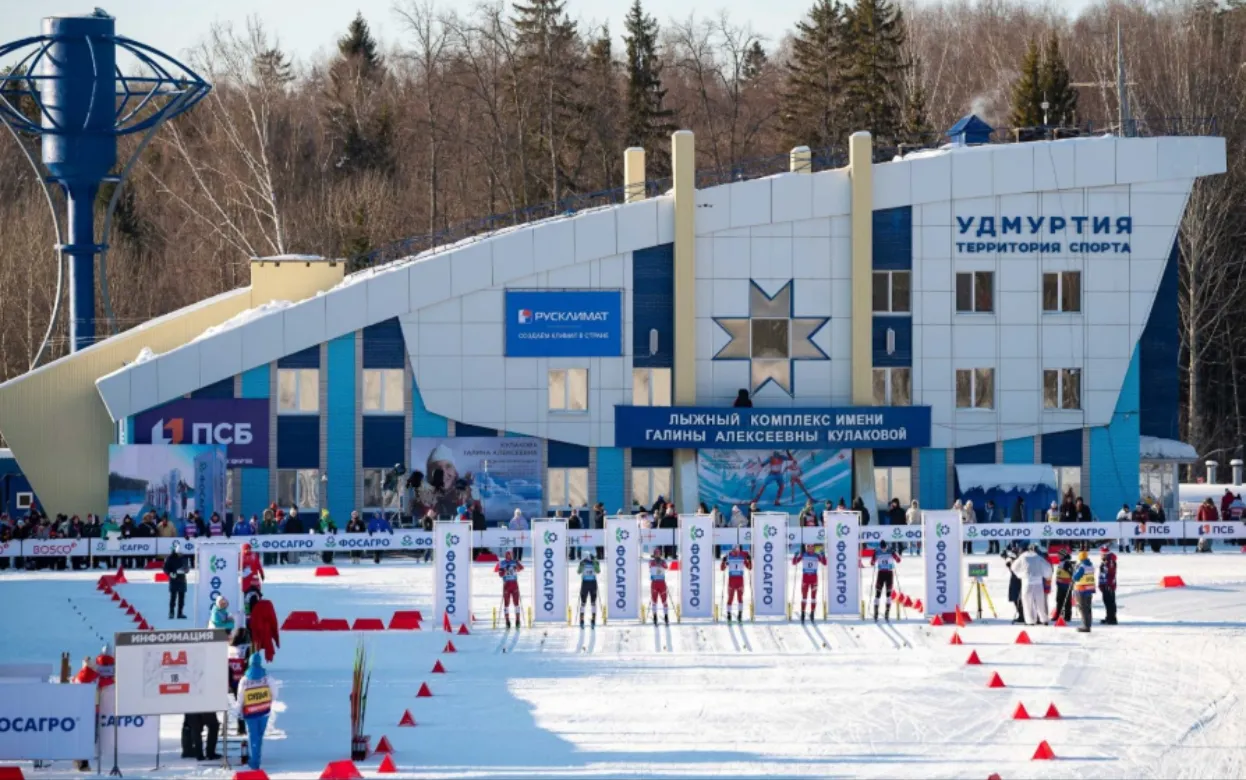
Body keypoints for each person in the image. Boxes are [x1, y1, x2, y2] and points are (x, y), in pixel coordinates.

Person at [237, 652, 273, 770]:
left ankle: (254, 762)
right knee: (259, 735)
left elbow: (240, 697)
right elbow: (275, 692)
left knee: (253, 736)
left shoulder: (245, 679)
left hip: (250, 712)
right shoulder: (267, 677)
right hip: (264, 711)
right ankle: (257, 757)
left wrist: (239, 711)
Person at [1009, 543, 1053, 626]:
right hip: (1038, 582)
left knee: (1027, 603)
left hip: (1027, 582)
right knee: (1040, 602)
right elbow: (1048, 568)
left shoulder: (1022, 557)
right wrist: (1046, 575)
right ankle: (1044, 619)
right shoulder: (1038, 557)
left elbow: (1013, 567)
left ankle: (1030, 621)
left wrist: (1020, 575)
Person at [791, 544, 826, 623]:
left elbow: (824, 563)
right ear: (806, 548)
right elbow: (794, 563)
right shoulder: (803, 555)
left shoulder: (817, 555)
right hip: (805, 579)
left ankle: (812, 613)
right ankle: (803, 613)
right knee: (804, 597)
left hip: (814, 579)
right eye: (808, 547)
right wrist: (795, 556)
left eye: (811, 547)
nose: (810, 548)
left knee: (813, 597)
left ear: (814, 548)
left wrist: (823, 555)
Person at [721, 544, 751, 622]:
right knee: (730, 598)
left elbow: (750, 567)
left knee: (740, 598)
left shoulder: (742, 556)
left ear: (739, 550)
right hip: (731, 581)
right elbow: (722, 568)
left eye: (737, 551)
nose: (735, 553)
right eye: (734, 551)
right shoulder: (729, 556)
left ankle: (740, 614)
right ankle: (729, 614)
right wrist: (723, 561)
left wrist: (749, 560)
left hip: (740, 581)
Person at [871, 540, 901, 621]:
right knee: (878, 594)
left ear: (886, 546)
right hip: (881, 574)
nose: (883, 549)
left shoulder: (890, 550)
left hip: (889, 574)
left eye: (884, 548)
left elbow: (898, 560)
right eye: (882, 548)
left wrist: (895, 553)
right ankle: (876, 612)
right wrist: (873, 558)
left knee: (888, 594)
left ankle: (887, 612)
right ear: (880, 547)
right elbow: (872, 563)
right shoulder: (877, 551)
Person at [495, 550, 524, 629]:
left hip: (514, 584)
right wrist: (505, 570)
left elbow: (521, 568)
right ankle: (507, 621)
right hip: (506, 585)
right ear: (505, 555)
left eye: (510, 554)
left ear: (511, 555)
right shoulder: (502, 563)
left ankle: (517, 620)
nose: (508, 556)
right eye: (507, 554)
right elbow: (500, 574)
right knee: (506, 604)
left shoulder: (514, 562)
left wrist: (517, 565)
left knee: (516, 603)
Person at [1071, 550, 1097, 632]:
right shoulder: (1091, 566)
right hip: (1089, 590)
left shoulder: (1082, 567)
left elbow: (1075, 577)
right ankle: (1088, 624)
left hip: (1081, 590)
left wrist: (1074, 570)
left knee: (1083, 608)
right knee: (1088, 608)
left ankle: (1085, 626)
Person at [163, 541, 190, 619]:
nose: (180, 554)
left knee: (181, 598)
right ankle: (171, 612)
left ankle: (180, 613)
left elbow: (187, 567)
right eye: (178, 552)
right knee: (173, 598)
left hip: (182, 580)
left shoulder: (184, 558)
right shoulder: (170, 558)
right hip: (173, 579)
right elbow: (165, 568)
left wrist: (186, 570)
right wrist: (170, 573)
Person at [1002, 542, 1024, 623]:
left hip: (1019, 580)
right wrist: (1006, 558)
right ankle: (1021, 614)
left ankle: (1023, 615)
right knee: (1014, 598)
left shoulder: (1021, 559)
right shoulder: (1013, 559)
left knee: (1019, 598)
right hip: (1015, 580)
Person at [240, 543, 265, 614]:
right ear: (243, 549)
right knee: (246, 595)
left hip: (254, 578)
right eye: (246, 549)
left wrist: (261, 573)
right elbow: (238, 567)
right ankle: (247, 611)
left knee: (257, 593)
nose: (248, 550)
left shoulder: (254, 555)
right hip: (245, 579)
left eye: (249, 549)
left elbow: (258, 565)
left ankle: (257, 609)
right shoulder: (241, 557)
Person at [577, 553, 600, 628]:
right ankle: (581, 620)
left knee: (593, 602)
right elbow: (579, 572)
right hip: (585, 584)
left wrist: (594, 563)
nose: (589, 559)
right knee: (583, 602)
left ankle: (593, 620)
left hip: (592, 584)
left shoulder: (595, 562)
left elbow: (598, 571)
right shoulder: (583, 562)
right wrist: (581, 565)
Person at [1098, 545, 1118, 625]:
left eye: (1102, 554)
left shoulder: (1110, 562)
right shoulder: (1106, 561)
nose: (1101, 555)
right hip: (1105, 584)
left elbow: (1111, 573)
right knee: (1107, 601)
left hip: (1108, 585)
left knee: (1110, 602)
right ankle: (1109, 617)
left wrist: (1109, 584)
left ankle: (1112, 618)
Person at [649, 548, 670, 624]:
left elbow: (651, 567)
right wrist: (660, 563)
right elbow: (665, 567)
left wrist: (658, 563)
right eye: (656, 554)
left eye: (657, 554)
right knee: (659, 601)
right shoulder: (662, 562)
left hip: (656, 583)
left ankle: (663, 616)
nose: (657, 555)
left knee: (659, 601)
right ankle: (661, 616)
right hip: (659, 583)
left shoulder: (652, 562)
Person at [1052, 550, 1074, 623]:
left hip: (1065, 585)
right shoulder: (1062, 562)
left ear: (1063, 555)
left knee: (1065, 601)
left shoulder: (1066, 563)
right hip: (1061, 585)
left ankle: (1067, 616)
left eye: (1059, 555)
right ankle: (1059, 615)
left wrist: (1071, 581)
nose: (1058, 556)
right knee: (1059, 600)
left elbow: (1071, 572)